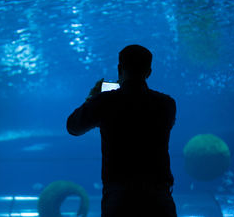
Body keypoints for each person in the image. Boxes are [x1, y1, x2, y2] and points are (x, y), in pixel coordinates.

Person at [67, 45, 177, 217]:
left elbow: (73, 127)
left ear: (120, 69)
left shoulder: (105, 102)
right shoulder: (167, 104)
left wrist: (92, 99)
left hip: (119, 198)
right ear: (149, 72)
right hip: (158, 197)